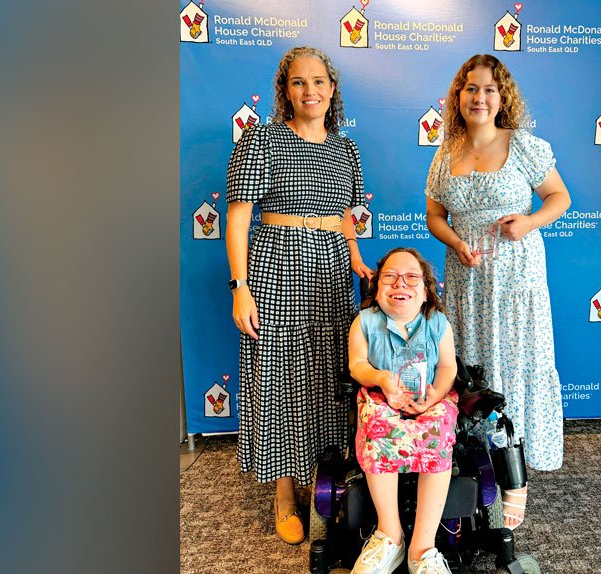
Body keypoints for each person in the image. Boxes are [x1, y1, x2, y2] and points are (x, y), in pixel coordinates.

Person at [225, 46, 372, 545]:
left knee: (329, 375)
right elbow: (239, 218)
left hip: (331, 271)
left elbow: (347, 215)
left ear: (333, 89)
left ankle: (324, 482)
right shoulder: (260, 141)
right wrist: (240, 288)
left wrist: (355, 259)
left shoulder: (346, 149)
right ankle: (285, 494)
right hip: (274, 265)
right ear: (284, 90)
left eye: (319, 82)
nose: (310, 91)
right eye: (298, 83)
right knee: (280, 377)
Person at [424, 54, 571, 530]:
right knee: (472, 369)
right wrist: (456, 243)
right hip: (467, 280)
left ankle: (515, 480)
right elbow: (435, 217)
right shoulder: (445, 153)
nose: (479, 97)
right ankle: (473, 469)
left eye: (488, 89)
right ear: (458, 96)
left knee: (516, 366)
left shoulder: (524, 145)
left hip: (516, 279)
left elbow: (560, 198)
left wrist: (528, 221)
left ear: (501, 95)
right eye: (470, 89)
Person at [348, 248, 458, 574]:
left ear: (426, 291)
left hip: (430, 398)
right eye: (390, 277)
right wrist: (381, 378)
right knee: (377, 423)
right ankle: (389, 535)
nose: (401, 283)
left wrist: (435, 395)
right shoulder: (365, 321)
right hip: (382, 396)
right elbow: (357, 364)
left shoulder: (436, 323)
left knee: (438, 431)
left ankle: (422, 547)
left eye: (412, 278)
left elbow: (448, 366)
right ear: (376, 288)